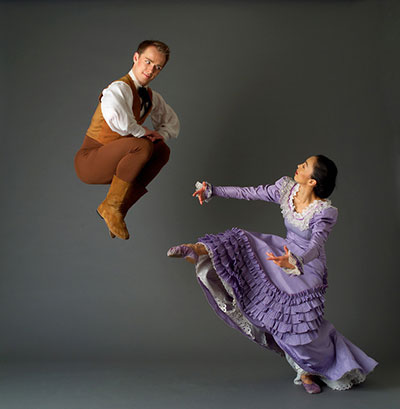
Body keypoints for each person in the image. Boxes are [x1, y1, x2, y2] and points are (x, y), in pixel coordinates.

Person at [167, 155, 377, 394]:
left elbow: (316, 245)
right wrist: (213, 190)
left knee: (298, 328)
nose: (299, 166)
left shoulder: (325, 212)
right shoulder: (286, 189)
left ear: (313, 182)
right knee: (242, 240)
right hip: (282, 253)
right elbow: (250, 192)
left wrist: (296, 260)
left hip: (307, 267)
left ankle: (308, 370)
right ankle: (198, 249)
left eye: (305, 166)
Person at [74, 40, 180, 240]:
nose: (151, 70)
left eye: (158, 67)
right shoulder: (118, 89)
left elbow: (171, 121)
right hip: (90, 160)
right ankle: (111, 206)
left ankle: (119, 209)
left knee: (162, 150)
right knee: (142, 145)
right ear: (136, 58)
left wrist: (162, 134)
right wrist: (141, 132)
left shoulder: (151, 97)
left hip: (119, 161)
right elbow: (117, 120)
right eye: (148, 62)